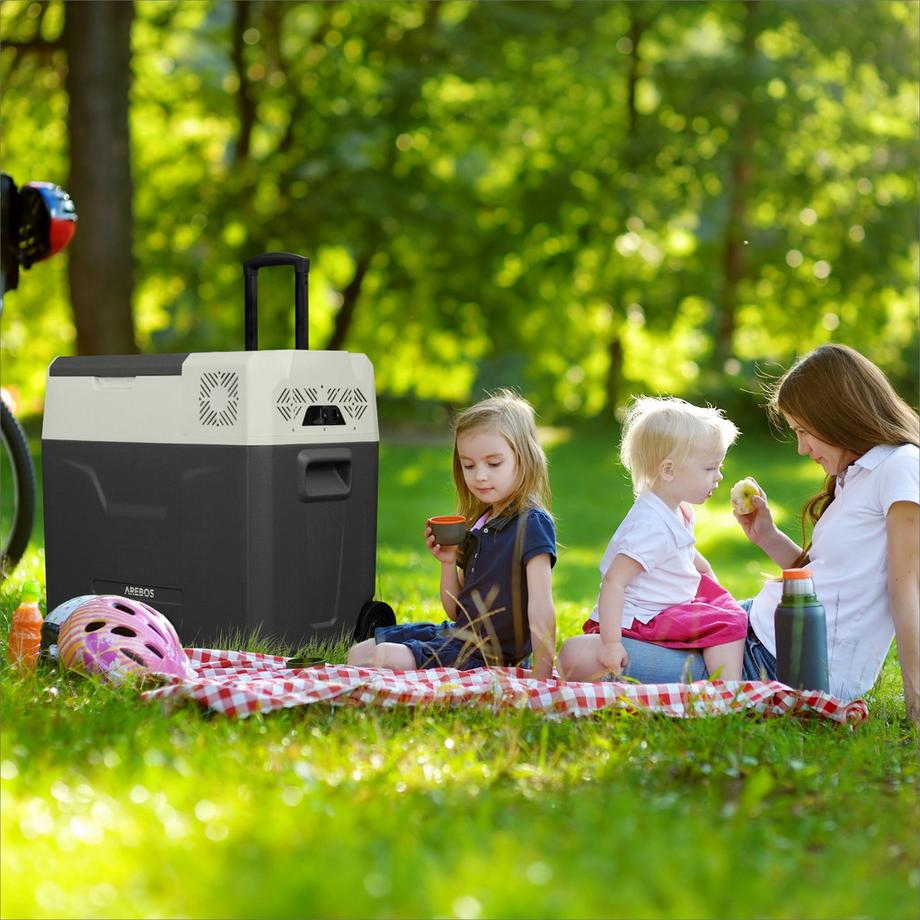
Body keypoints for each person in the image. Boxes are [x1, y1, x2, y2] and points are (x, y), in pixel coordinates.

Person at [581, 345, 920, 724]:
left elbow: (907, 592)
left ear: (839, 414)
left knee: (582, 657)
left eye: (804, 431)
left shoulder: (900, 467)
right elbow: (830, 578)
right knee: (627, 625)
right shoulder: (858, 473)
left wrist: (916, 703)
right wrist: (767, 536)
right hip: (756, 627)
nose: (802, 447)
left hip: (775, 662)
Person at [347, 389, 557, 678]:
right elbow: (456, 611)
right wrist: (447, 562)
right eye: (468, 465)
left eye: (493, 463)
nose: (479, 475)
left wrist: (542, 676)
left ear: (525, 459)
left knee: (376, 658)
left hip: (485, 654)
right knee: (357, 653)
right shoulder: (479, 524)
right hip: (457, 636)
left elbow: (541, 607)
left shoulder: (531, 524)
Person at [558, 397, 748, 682]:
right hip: (643, 619)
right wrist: (611, 643)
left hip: (665, 607)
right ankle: (728, 688)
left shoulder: (677, 509)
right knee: (730, 622)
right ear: (669, 470)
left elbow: (688, 554)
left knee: (726, 612)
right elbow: (614, 581)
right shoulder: (650, 526)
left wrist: (711, 582)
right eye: (710, 468)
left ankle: (719, 676)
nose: (719, 476)